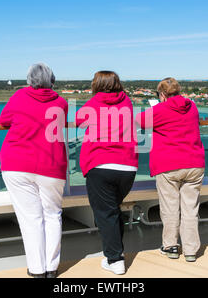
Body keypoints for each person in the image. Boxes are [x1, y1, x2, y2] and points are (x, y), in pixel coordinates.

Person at [0, 63, 68, 278]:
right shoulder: (62, 103)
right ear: (52, 80)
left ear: (30, 79)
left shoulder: (19, 97)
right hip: (52, 164)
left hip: (17, 163)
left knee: (31, 218)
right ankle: (51, 268)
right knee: (52, 215)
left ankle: (37, 270)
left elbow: (3, 121)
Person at [135, 77, 205, 262]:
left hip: (168, 165)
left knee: (170, 208)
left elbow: (138, 121)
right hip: (195, 163)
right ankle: (190, 251)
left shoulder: (160, 109)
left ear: (163, 94)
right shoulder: (192, 106)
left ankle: (171, 246)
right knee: (191, 209)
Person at [76, 71, 138, 275]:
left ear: (96, 85)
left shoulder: (94, 103)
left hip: (101, 165)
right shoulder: (127, 102)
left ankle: (115, 260)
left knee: (106, 213)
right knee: (112, 210)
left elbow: (79, 120)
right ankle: (114, 255)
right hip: (127, 168)